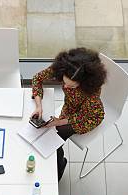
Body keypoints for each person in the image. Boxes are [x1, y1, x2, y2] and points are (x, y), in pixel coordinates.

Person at [31, 48, 107, 181]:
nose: (65, 88)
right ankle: (57, 160)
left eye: (71, 87)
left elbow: (85, 115)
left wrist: (59, 122)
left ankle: (59, 168)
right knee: (51, 135)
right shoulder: (67, 69)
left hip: (88, 117)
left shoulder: (92, 96)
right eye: (64, 83)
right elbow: (38, 78)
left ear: (83, 82)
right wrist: (38, 105)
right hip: (70, 107)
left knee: (55, 140)